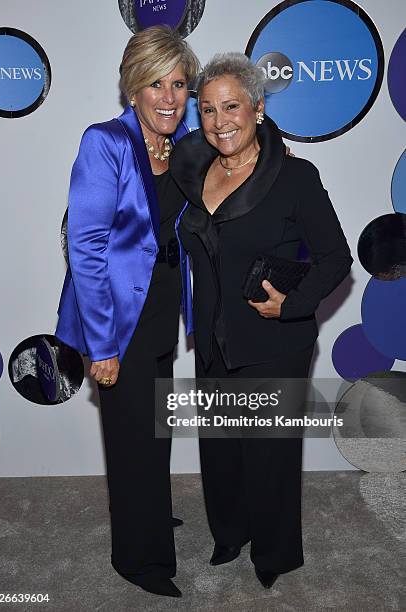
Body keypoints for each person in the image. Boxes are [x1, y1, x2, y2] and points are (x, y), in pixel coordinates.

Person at [169, 52, 353, 589]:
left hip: (274, 337)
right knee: (221, 446)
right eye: (206, 109)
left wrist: (291, 305)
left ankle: (274, 553)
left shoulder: (294, 176)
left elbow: (335, 259)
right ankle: (230, 531)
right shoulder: (193, 171)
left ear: (259, 108)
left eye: (231, 106)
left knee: (270, 455)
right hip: (213, 336)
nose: (220, 120)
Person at [55, 26, 199, 598]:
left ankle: (150, 513)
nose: (168, 97)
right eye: (155, 84)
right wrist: (103, 345)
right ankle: (137, 559)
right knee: (131, 436)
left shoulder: (183, 146)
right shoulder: (105, 142)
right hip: (117, 318)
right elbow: (85, 247)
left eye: (179, 84)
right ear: (132, 89)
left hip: (163, 311)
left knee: (152, 431)